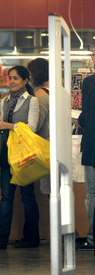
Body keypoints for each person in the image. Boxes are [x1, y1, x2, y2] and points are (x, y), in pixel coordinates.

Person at [0, 65, 40, 249]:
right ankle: (0, 239)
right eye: (10, 78)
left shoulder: (32, 101)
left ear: (25, 81)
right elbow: (1, 127)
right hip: (7, 154)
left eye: (15, 78)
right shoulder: (4, 101)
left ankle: (31, 238)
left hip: (24, 154)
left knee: (27, 196)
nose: (11, 81)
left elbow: (32, 128)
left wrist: (9, 125)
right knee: (6, 197)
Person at [77, 48, 95, 250]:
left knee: (92, 194)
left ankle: (92, 238)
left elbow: (84, 116)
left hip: (91, 145)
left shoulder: (89, 83)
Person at [28, 58, 50, 194]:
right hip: (61, 148)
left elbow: (35, 125)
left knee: (50, 192)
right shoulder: (59, 92)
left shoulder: (39, 97)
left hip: (45, 148)